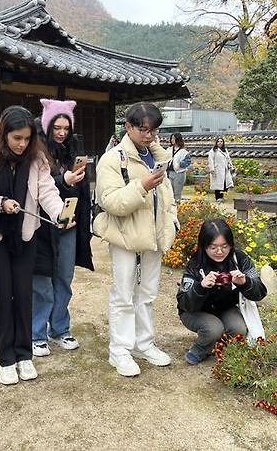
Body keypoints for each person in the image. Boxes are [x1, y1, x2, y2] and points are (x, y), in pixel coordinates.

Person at [0, 105, 68, 385]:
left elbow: (48, 190)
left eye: (27, 138)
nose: (22, 144)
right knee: (3, 297)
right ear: (4, 134)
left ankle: (24, 355)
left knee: (24, 295)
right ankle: (6, 359)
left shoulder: (37, 158)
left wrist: (59, 213)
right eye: (16, 138)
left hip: (27, 236)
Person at [94, 102, 179, 377]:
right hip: (124, 236)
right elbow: (110, 202)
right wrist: (142, 186)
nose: (149, 135)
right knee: (123, 295)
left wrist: (172, 220)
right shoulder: (112, 159)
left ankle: (143, 343)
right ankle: (119, 350)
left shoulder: (158, 156)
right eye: (143, 129)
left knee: (148, 293)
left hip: (153, 234)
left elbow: (167, 196)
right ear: (127, 127)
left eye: (153, 130)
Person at [31, 99, 94, 357]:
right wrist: (63, 179)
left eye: (65, 128)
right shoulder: (35, 150)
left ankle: (59, 328)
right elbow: (36, 187)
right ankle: (36, 332)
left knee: (64, 278)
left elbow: (81, 192)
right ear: (46, 126)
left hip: (69, 222)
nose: (61, 133)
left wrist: (74, 181)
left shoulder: (72, 148)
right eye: (56, 127)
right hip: (42, 226)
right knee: (42, 281)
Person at [177, 218, 267, 365]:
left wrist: (245, 283)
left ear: (231, 245)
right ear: (204, 246)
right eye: (213, 247)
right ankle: (200, 349)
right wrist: (201, 286)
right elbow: (184, 302)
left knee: (239, 329)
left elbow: (260, 292)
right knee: (214, 328)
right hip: (195, 311)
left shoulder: (240, 259)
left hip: (226, 308)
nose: (219, 252)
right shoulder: (195, 263)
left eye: (224, 246)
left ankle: (219, 347)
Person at [167, 132, 191, 202]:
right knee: (170, 192)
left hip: (179, 173)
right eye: (171, 138)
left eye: (173, 138)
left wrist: (180, 164)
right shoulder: (169, 149)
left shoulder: (184, 151)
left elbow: (188, 162)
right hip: (169, 172)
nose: (172, 140)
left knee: (177, 192)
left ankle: (177, 207)